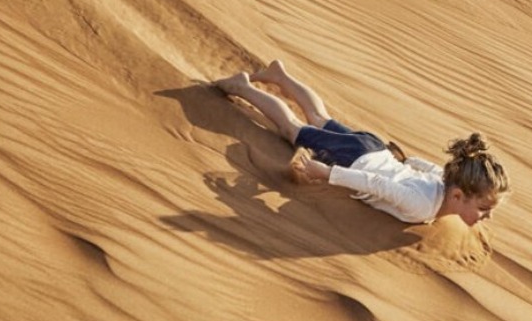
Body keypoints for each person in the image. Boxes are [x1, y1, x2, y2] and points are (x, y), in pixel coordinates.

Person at [214, 60, 509, 225]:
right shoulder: (421, 207)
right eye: (483, 208)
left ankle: (279, 75)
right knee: (293, 129)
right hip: (352, 160)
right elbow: (375, 184)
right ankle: (243, 87)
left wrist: (404, 162)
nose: (488, 216)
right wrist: (327, 174)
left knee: (319, 117)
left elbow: (422, 166)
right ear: (458, 196)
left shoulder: (443, 181)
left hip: (374, 148)